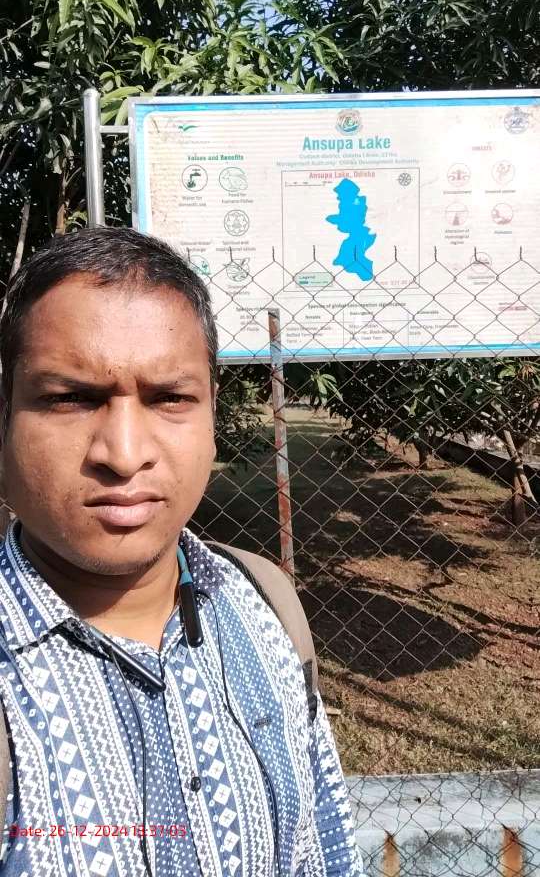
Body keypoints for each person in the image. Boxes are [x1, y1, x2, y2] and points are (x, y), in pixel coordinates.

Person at [0, 227, 364, 877]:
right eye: (70, 399)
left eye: (170, 398)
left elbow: (321, 848)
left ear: (211, 417)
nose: (124, 454)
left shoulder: (265, 603)